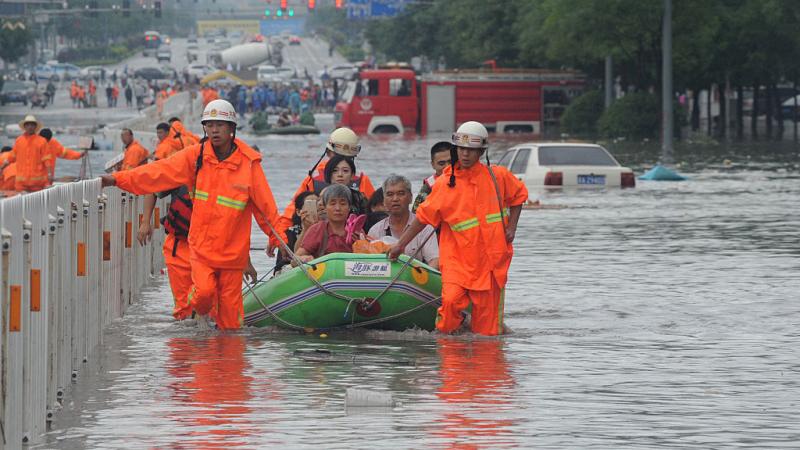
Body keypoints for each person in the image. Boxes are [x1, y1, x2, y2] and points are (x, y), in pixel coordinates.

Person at [100, 99, 287, 330]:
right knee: (204, 295)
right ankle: (190, 313)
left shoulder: (248, 164)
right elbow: (157, 172)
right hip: (202, 250)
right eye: (210, 125)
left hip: (232, 256)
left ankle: (226, 363)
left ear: (231, 129)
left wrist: (277, 238)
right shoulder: (195, 158)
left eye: (220, 125)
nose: (215, 130)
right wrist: (117, 179)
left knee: (231, 326)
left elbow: (266, 208)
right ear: (204, 128)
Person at [388, 121, 528, 336]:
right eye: (461, 149)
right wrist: (400, 245)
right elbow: (422, 218)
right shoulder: (445, 184)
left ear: (481, 152)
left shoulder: (497, 176)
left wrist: (512, 227)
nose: (465, 154)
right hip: (458, 263)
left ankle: (484, 367)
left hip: (491, 264)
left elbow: (518, 196)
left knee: (488, 333)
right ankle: (450, 362)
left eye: (471, 150)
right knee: (451, 304)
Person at [273, 128, 374, 251]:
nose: (340, 174)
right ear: (328, 153)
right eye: (338, 156)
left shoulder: (362, 182)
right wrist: (278, 239)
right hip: (316, 238)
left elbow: (373, 216)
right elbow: (291, 214)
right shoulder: (313, 181)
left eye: (347, 159)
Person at [369, 175, 439, 269]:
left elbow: (435, 261)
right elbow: (370, 264)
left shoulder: (425, 228)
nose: (395, 199)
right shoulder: (375, 230)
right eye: (390, 194)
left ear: (410, 198)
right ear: (384, 201)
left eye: (401, 193)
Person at [294, 184, 361, 263]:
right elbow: (295, 259)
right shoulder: (317, 229)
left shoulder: (357, 230)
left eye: (343, 204)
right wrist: (305, 259)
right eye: (332, 204)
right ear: (325, 207)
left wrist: (360, 243)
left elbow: (367, 259)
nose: (338, 208)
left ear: (349, 207)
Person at [7, 115, 51, 192]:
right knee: (20, 203)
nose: (30, 127)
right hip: (21, 183)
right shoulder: (19, 141)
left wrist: (50, 175)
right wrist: (2, 167)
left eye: (32, 125)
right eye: (28, 125)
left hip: (37, 183)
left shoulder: (42, 141)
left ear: (35, 127)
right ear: (24, 126)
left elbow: (47, 160)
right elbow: (11, 157)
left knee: (36, 203)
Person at [412, 141, 452, 213]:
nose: (447, 167)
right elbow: (416, 212)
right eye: (441, 163)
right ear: (433, 165)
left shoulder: (467, 179)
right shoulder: (428, 187)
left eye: (451, 162)